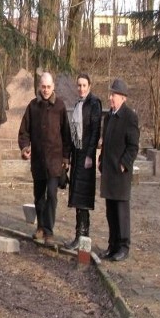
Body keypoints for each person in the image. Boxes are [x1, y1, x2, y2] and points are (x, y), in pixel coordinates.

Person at [18, 72, 72, 245]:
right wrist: (25, 148)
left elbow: (66, 135)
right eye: (43, 87)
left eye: (49, 87)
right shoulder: (33, 106)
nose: (46, 90)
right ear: (39, 87)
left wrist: (65, 158)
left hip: (55, 162)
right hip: (38, 162)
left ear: (53, 87)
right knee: (39, 196)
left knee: (52, 196)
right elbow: (24, 131)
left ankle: (49, 231)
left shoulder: (60, 107)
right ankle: (40, 228)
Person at [98, 78, 139, 262]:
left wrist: (124, 163)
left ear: (122, 97)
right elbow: (105, 143)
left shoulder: (130, 117)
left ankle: (123, 246)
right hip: (108, 172)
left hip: (120, 173)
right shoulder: (108, 117)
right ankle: (112, 245)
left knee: (121, 212)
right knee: (110, 212)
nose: (110, 98)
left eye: (113, 95)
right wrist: (101, 160)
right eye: (110, 94)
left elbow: (133, 146)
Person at [64, 74, 102, 251]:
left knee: (83, 199)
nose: (81, 88)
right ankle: (78, 235)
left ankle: (84, 236)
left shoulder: (94, 103)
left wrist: (90, 155)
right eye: (78, 85)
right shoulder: (78, 104)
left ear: (90, 86)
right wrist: (70, 156)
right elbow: (73, 134)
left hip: (86, 156)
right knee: (77, 198)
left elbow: (95, 131)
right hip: (77, 155)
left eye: (84, 85)